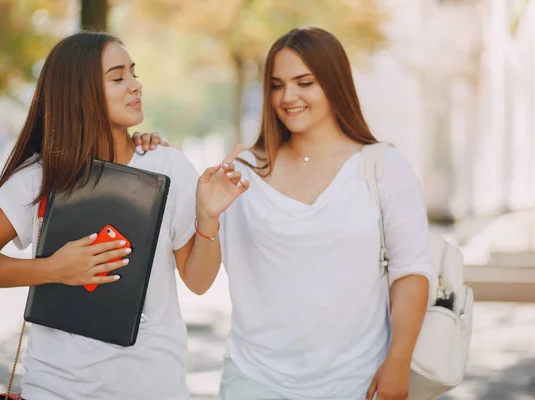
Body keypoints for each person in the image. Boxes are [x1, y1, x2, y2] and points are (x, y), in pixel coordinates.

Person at [135, 27, 431, 400]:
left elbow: (411, 273)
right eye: (276, 85)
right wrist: (206, 218)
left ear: (335, 83)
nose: (288, 97)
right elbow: (197, 281)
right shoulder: (241, 172)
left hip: (358, 381)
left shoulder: (383, 166)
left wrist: (398, 362)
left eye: (304, 83)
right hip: (254, 381)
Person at [0, 32, 249, 400]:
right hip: (56, 387)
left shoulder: (167, 165)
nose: (136, 85)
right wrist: (53, 269)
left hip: (152, 386)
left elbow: (199, 281)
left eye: (134, 73)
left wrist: (207, 217)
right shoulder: (39, 176)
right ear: (81, 92)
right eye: (118, 77)